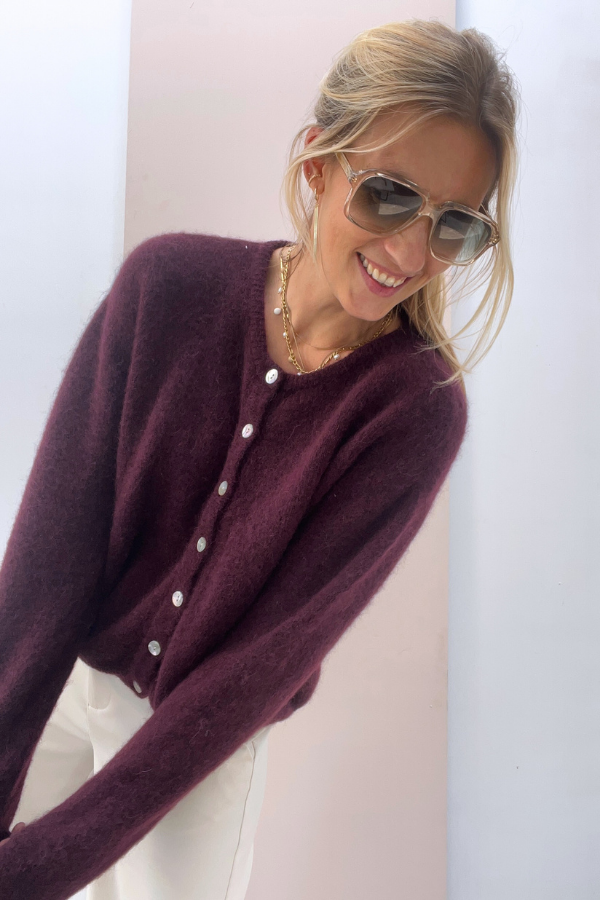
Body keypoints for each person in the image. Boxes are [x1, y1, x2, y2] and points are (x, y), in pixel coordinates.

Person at [0, 18, 519, 900]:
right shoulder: (164, 288)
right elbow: (48, 564)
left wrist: (33, 870)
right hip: (57, 682)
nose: (410, 253)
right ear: (318, 163)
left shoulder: (415, 412)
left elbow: (254, 671)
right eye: (388, 196)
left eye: (455, 226)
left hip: (202, 750)